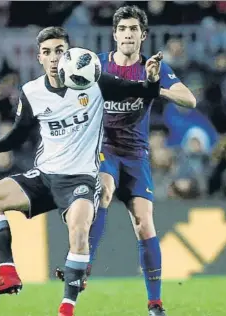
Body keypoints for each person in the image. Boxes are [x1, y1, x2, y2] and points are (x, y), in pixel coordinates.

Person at [0, 26, 162, 316]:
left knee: (79, 229)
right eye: (47, 52)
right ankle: (7, 273)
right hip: (45, 176)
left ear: (68, 53)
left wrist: (153, 79)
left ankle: (67, 308)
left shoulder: (93, 82)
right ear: (39, 58)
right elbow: (20, 134)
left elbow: (143, 92)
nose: (54, 57)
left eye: (59, 50)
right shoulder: (31, 92)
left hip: (81, 179)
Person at [81, 5, 196, 316]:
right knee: (103, 190)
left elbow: (190, 99)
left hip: (136, 155)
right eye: (123, 29)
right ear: (115, 34)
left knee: (144, 225)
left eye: (134, 29)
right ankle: (85, 265)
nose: (128, 34)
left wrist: (155, 86)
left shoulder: (153, 67)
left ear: (143, 35)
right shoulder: (97, 65)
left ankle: (155, 303)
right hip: (104, 148)